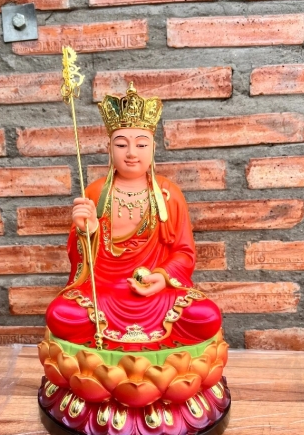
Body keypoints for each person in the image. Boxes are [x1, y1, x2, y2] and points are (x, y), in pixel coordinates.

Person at [45, 82, 222, 351]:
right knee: (61, 315)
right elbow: (81, 262)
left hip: (157, 294)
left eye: (141, 144)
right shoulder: (95, 193)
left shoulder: (169, 194)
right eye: (121, 144)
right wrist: (87, 233)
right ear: (109, 148)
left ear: (153, 148)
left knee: (206, 316)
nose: (131, 153)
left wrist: (161, 278)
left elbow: (184, 253)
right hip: (105, 291)